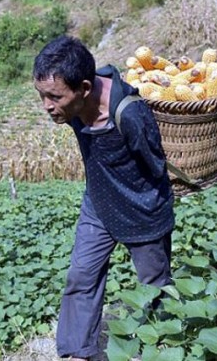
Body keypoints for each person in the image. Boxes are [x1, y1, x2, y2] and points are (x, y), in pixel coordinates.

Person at [32, 35, 175, 360]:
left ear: (84, 88)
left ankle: (159, 345)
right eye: (41, 95)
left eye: (54, 97)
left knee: (153, 284)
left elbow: (156, 167)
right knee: (82, 275)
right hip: (98, 201)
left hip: (141, 208)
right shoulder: (71, 107)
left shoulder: (130, 114)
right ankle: (76, 352)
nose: (47, 106)